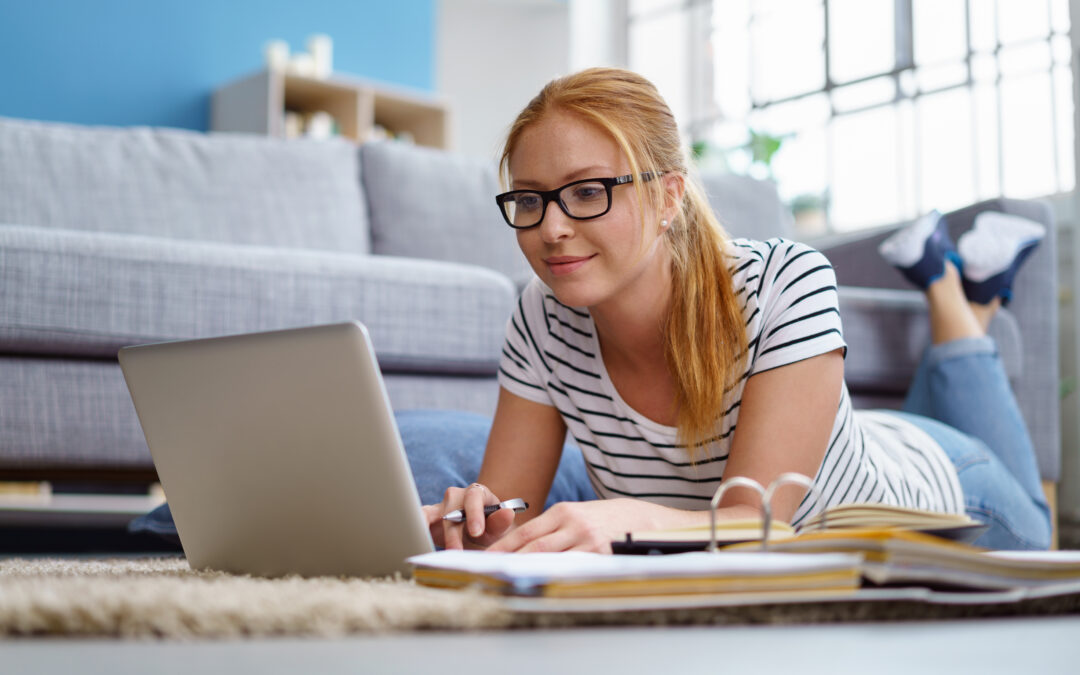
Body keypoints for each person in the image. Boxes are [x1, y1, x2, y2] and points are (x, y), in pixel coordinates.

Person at [415, 67, 1051, 553]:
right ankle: (968, 294)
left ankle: (948, 288)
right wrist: (477, 523)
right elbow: (512, 519)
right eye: (529, 200)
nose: (550, 228)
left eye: (587, 192)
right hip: (853, 444)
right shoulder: (540, 316)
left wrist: (627, 520)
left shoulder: (784, 280)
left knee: (1041, 524)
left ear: (668, 197)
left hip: (948, 495)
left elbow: (762, 525)